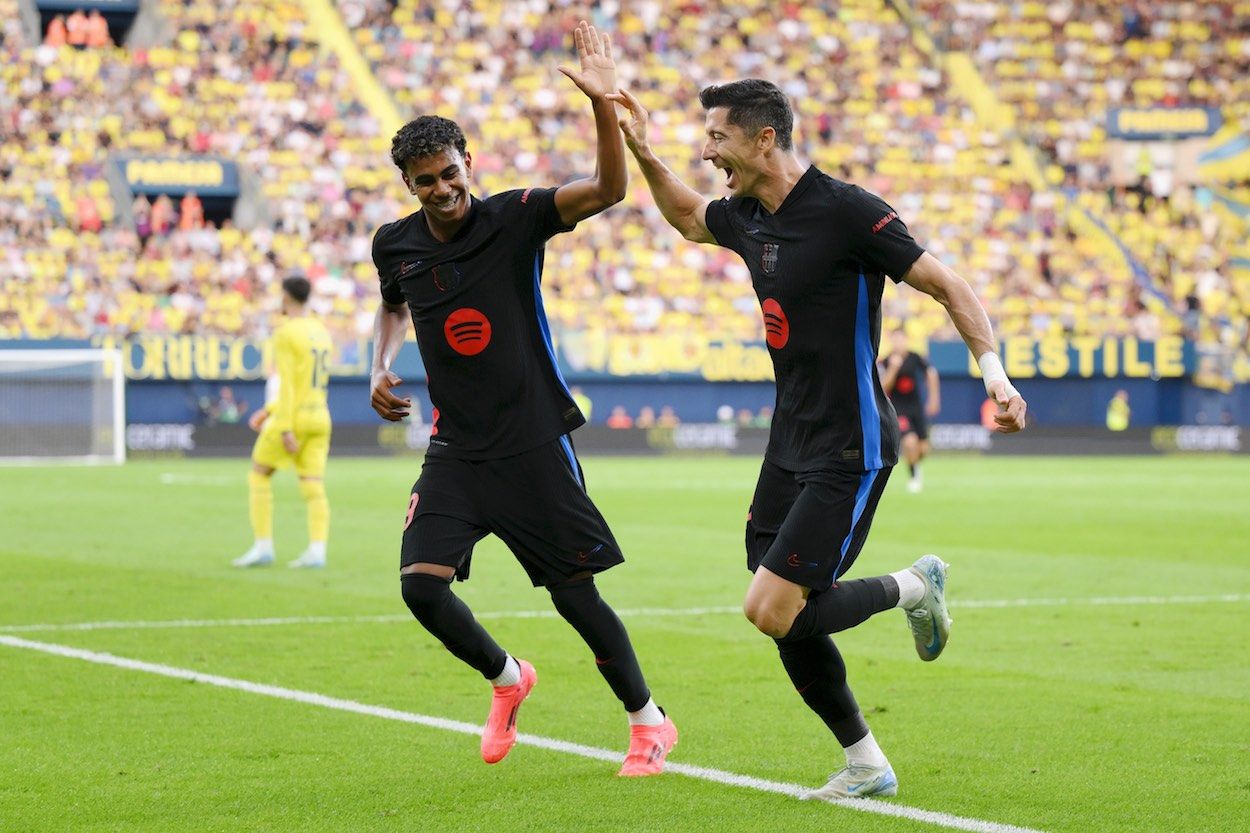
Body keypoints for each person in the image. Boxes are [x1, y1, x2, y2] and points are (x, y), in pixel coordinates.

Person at [608, 78, 1027, 799]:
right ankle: (866, 762)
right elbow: (684, 216)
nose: (707, 151)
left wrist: (995, 374)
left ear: (764, 138)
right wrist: (640, 147)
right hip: (788, 444)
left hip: (850, 444)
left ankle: (912, 586)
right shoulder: (746, 214)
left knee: (770, 607)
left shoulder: (847, 210)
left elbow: (948, 285)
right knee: (784, 614)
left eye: (718, 137)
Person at [367, 22, 676, 777]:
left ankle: (647, 720)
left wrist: (603, 104)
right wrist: (379, 363)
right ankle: (508, 677)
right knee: (421, 590)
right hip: (457, 449)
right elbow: (391, 304)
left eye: (449, 172)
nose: (441, 189)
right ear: (407, 185)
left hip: (535, 441)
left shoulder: (517, 217)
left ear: (469, 163)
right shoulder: (395, 243)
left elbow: (609, 189)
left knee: (575, 597)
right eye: (425, 180)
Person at [233, 275, 333, 569]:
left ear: (286, 297)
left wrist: (284, 424)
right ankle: (317, 551)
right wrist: (268, 409)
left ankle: (263, 546)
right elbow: (307, 384)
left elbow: (289, 384)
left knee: (259, 474)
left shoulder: (286, 332)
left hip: (295, 417)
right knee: (313, 484)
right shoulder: (321, 331)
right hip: (320, 416)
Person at [880, 330, 941, 492]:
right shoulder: (886, 361)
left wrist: (934, 399)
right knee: (910, 441)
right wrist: (893, 368)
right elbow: (884, 388)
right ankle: (914, 477)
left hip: (916, 409)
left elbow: (931, 373)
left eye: (901, 340)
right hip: (898, 410)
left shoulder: (915, 357)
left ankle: (915, 465)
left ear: (906, 341)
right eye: (895, 340)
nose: (898, 343)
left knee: (923, 449)